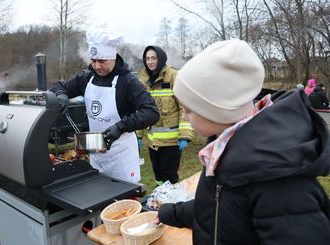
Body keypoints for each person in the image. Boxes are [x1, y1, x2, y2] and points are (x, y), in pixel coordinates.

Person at [154, 39, 330, 244]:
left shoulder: (276, 177)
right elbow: (218, 205)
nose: (184, 117)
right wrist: (171, 213)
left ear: (217, 110)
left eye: (189, 109)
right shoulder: (226, 147)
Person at [50, 29, 160, 183]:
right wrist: (61, 94)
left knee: (124, 200)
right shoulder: (87, 78)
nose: (96, 66)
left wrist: (121, 126)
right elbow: (59, 85)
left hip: (120, 156)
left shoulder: (128, 82)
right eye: (93, 60)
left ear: (113, 58)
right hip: (96, 153)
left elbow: (151, 112)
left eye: (102, 61)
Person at [137, 46, 193, 185]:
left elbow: (184, 107)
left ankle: (172, 204)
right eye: (147, 58)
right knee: (158, 177)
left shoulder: (174, 75)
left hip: (172, 142)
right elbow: (140, 109)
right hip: (152, 142)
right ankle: (159, 202)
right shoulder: (143, 79)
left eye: (153, 58)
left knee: (170, 178)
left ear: (161, 59)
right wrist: (138, 135)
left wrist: (184, 135)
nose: (150, 62)